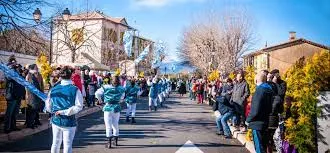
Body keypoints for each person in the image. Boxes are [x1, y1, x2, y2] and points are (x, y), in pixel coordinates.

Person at [45, 66, 83, 153]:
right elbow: (79, 106)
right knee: (67, 145)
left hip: (56, 119)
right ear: (71, 76)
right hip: (69, 121)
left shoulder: (53, 89)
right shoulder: (75, 89)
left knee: (55, 143)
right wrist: (65, 112)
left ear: (61, 76)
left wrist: (54, 111)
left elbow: (48, 105)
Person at [246, 71, 273, 153]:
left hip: (257, 123)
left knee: (259, 148)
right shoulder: (269, 90)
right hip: (265, 121)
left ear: (256, 80)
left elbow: (255, 109)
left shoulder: (259, 91)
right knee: (263, 146)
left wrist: (248, 119)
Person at [95, 76, 125, 148]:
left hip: (108, 107)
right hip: (116, 107)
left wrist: (100, 100)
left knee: (108, 126)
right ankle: (116, 141)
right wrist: (118, 100)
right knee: (115, 124)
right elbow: (122, 97)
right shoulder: (121, 88)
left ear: (111, 80)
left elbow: (97, 93)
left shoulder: (105, 87)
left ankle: (109, 143)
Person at [4, 58, 25, 133]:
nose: (15, 63)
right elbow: (9, 78)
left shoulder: (17, 70)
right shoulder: (7, 70)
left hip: (17, 94)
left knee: (15, 112)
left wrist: (21, 72)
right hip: (11, 95)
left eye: (15, 62)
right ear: (10, 63)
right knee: (9, 113)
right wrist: (13, 68)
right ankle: (7, 128)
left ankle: (13, 126)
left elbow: (22, 80)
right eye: (14, 62)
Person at [25, 64, 44, 129]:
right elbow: (28, 87)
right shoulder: (29, 76)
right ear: (32, 69)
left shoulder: (37, 75)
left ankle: (33, 122)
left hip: (36, 95)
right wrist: (27, 95)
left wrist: (41, 93)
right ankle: (30, 124)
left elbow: (41, 84)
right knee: (31, 110)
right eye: (36, 68)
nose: (37, 69)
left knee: (35, 110)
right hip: (31, 96)